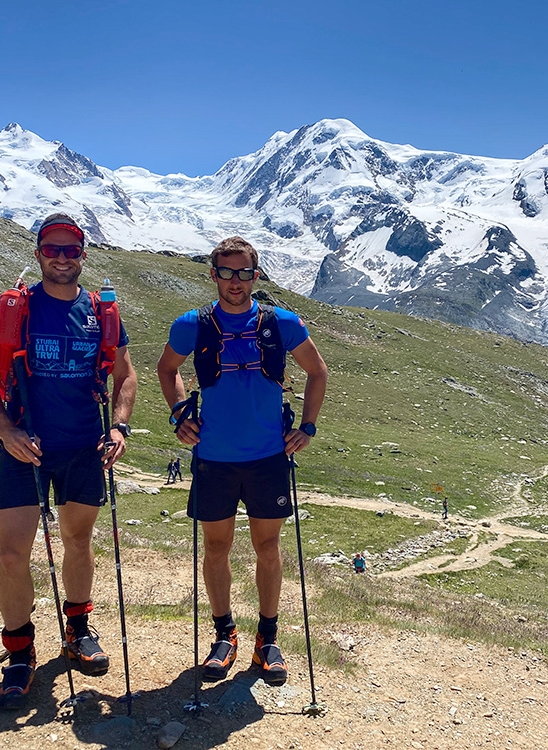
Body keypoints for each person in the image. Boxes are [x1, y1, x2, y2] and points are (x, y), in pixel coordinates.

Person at [0, 214, 137, 710]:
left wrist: (119, 426)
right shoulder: (9, 308)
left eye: (71, 250)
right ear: (39, 251)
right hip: (25, 445)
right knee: (12, 554)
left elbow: (126, 377)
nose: (61, 258)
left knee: (78, 541)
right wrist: (6, 430)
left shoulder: (102, 312)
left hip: (86, 445)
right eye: (52, 248)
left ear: (84, 254)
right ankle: (19, 653)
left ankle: (77, 629)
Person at [157, 236, 328, 687]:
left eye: (244, 273)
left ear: (256, 275)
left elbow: (318, 371)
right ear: (213, 274)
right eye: (227, 272)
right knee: (216, 549)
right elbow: (166, 368)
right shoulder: (191, 324)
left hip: (268, 456)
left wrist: (306, 427)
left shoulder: (282, 323)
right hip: (213, 457)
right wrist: (179, 414)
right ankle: (225, 633)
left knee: (267, 548)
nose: (236, 281)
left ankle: (267, 639)